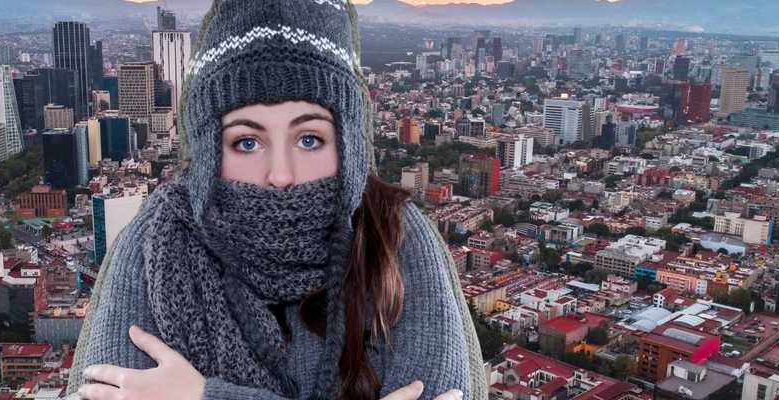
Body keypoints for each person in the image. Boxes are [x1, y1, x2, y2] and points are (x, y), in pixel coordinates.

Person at [68, 1, 487, 399]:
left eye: (309, 139)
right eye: (247, 142)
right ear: (209, 149)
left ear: (348, 145)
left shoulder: (396, 236)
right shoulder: (157, 244)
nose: (281, 175)